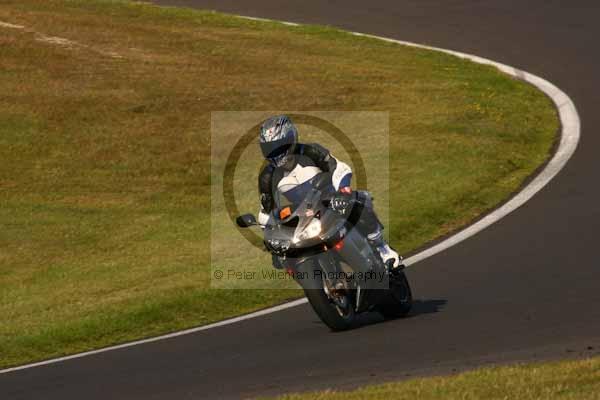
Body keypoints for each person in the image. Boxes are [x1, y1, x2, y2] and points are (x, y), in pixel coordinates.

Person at [257, 115, 402, 269]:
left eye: (278, 147)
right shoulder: (267, 177)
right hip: (302, 217)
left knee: (359, 201)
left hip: (332, 202)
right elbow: (266, 212)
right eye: (269, 148)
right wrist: (271, 240)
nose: (274, 153)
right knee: (288, 254)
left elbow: (340, 168)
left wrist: (342, 191)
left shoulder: (311, 151)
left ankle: (382, 248)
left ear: (290, 140)